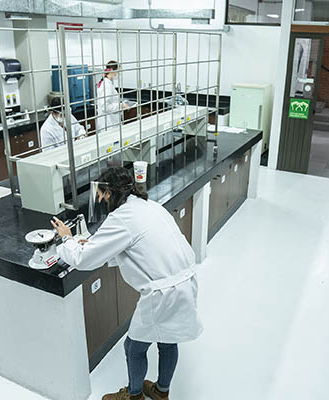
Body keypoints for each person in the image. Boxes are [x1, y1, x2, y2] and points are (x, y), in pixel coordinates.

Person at [51, 167, 202, 400]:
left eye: (100, 195)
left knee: (133, 347)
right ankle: (161, 392)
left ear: (109, 193)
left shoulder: (121, 218)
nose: (100, 200)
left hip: (163, 293)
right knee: (168, 341)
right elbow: (135, 244)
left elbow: (84, 260)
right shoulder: (148, 206)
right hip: (186, 280)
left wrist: (67, 239)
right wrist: (96, 244)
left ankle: (134, 396)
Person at [96, 60, 129, 133]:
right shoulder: (106, 85)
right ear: (112, 70)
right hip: (108, 123)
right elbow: (105, 107)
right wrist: (121, 105)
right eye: (117, 70)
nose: (118, 73)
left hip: (111, 121)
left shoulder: (108, 83)